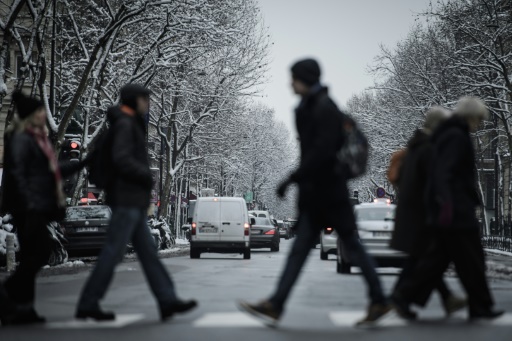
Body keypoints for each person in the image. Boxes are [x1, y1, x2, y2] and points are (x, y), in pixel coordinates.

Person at [238, 58, 391, 327]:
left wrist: (291, 178)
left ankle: (379, 299)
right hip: (319, 194)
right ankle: (277, 304)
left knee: (349, 245)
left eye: (294, 78)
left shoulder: (323, 108)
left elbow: (320, 152)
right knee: (308, 250)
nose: (290, 83)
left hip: (329, 193)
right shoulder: (313, 106)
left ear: (305, 79)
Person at [75, 84, 197, 321]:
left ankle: (167, 300)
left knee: (148, 253)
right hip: (126, 199)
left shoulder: (129, 122)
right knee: (113, 253)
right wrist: (144, 174)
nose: (148, 102)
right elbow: (121, 159)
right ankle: (88, 303)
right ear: (134, 100)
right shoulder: (125, 124)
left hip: (131, 200)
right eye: (145, 98)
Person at [392, 97, 504, 320]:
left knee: (442, 260)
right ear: (471, 117)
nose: (479, 125)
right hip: (456, 210)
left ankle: (404, 296)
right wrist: (447, 203)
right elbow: (444, 173)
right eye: (479, 120)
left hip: (451, 209)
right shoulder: (456, 137)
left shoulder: (448, 134)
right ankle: (479, 306)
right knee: (470, 259)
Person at [0, 91, 88, 325]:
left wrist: (82, 163)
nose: (43, 115)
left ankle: (23, 308)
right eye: (40, 111)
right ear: (31, 115)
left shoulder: (35, 138)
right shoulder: (22, 139)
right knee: (39, 253)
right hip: (27, 206)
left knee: (32, 254)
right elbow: (20, 175)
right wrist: (28, 204)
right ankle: (8, 294)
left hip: (32, 204)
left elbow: (51, 171)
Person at [389, 107, 466, 319]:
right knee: (428, 258)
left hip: (412, 212)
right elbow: (435, 182)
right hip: (422, 214)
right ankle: (399, 298)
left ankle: (444, 298)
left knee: (423, 258)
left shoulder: (415, 146)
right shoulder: (429, 149)